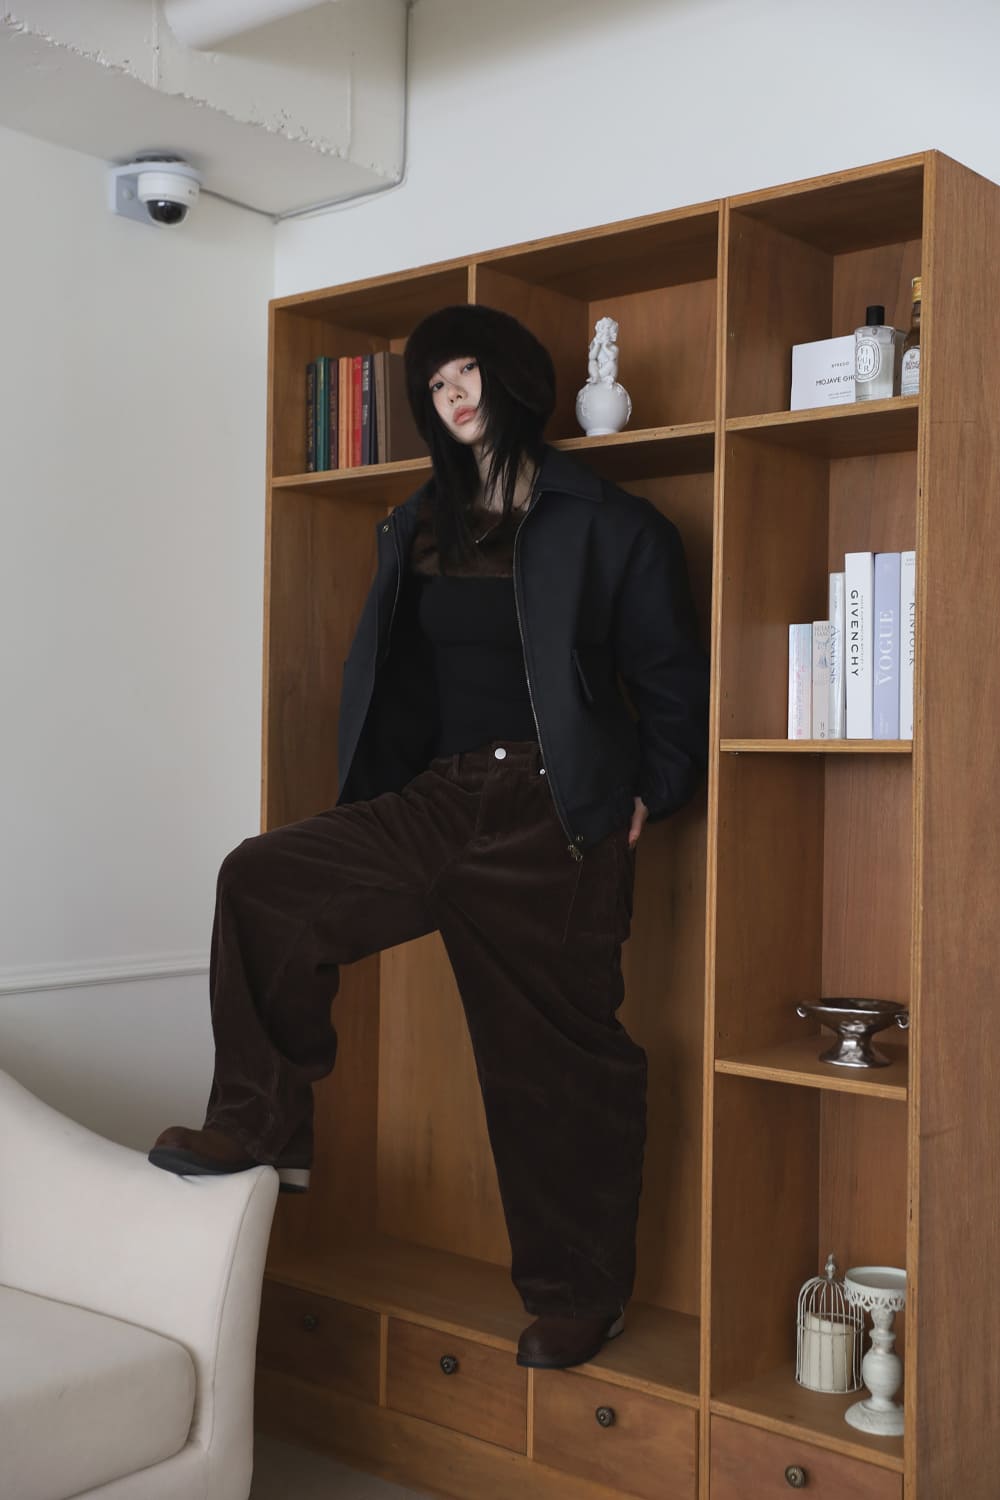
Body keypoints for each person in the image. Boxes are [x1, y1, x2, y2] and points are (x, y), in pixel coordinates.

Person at [149, 304, 710, 1371]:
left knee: (554, 1070)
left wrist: (651, 792)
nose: (452, 397)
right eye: (435, 385)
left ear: (513, 378)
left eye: (466, 374)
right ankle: (261, 1127)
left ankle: (580, 1295)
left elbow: (673, 681)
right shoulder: (416, 526)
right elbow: (398, 680)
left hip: (553, 819)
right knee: (263, 880)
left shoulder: (611, 524)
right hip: (437, 801)